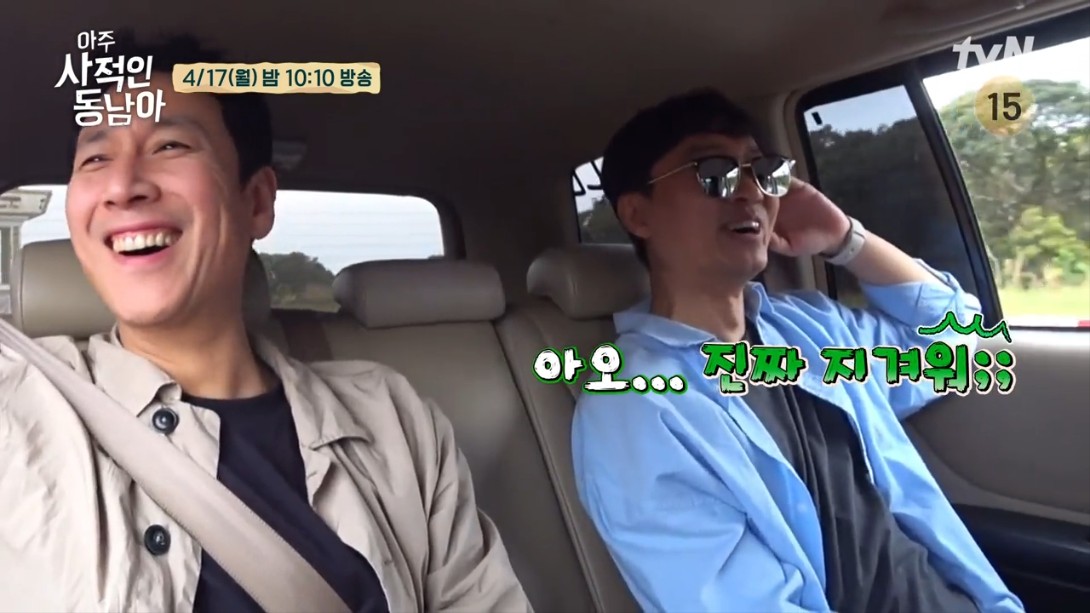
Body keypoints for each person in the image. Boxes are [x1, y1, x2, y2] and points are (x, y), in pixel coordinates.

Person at [0, 32, 531, 612]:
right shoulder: (17, 404)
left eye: (170, 145)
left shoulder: (393, 422)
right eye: (96, 158)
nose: (123, 187)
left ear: (255, 201)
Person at [571, 88, 1023, 613]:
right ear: (638, 214)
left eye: (764, 173)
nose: (751, 191)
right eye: (713, 172)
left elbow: (956, 337)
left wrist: (845, 239)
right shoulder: (634, 407)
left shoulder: (811, 328)